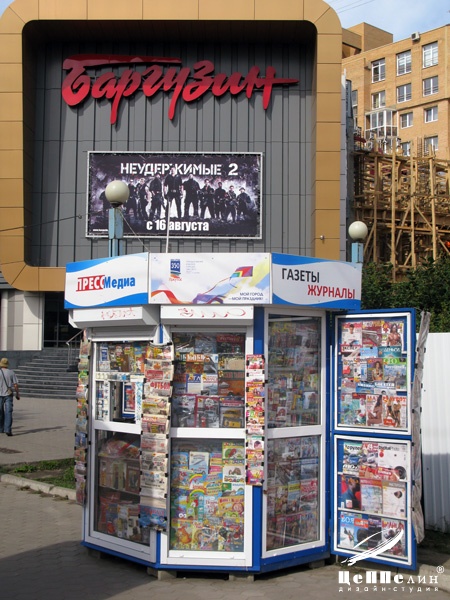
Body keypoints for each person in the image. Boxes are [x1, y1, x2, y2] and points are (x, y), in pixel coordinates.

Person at [0, 357, 20, 436]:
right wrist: (17, 393)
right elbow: (15, 384)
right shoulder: (11, 372)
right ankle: (8, 429)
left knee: (0, 411)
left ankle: (1, 428)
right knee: (8, 412)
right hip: (8, 394)